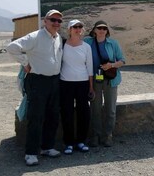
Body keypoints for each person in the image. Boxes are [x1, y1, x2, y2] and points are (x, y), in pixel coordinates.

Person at [6, 9, 64, 166]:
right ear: (45, 21)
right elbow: (12, 47)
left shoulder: (58, 38)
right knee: (36, 117)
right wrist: (25, 62)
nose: (56, 23)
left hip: (54, 81)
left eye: (59, 21)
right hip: (38, 81)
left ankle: (47, 147)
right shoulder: (35, 37)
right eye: (53, 20)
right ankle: (31, 153)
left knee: (52, 116)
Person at [84, 20, 125, 147]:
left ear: (107, 31)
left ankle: (108, 135)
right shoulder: (87, 42)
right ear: (94, 30)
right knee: (95, 109)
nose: (102, 30)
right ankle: (95, 135)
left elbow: (122, 60)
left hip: (110, 81)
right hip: (94, 81)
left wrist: (111, 65)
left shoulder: (113, 43)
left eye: (104, 28)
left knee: (110, 109)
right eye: (99, 28)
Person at [59, 20, 93, 155]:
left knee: (83, 112)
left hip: (83, 83)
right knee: (67, 113)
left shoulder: (86, 47)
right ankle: (68, 143)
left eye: (80, 27)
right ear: (69, 29)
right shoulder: (62, 46)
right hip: (65, 83)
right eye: (75, 27)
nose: (78, 29)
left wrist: (91, 87)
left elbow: (89, 67)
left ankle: (81, 141)